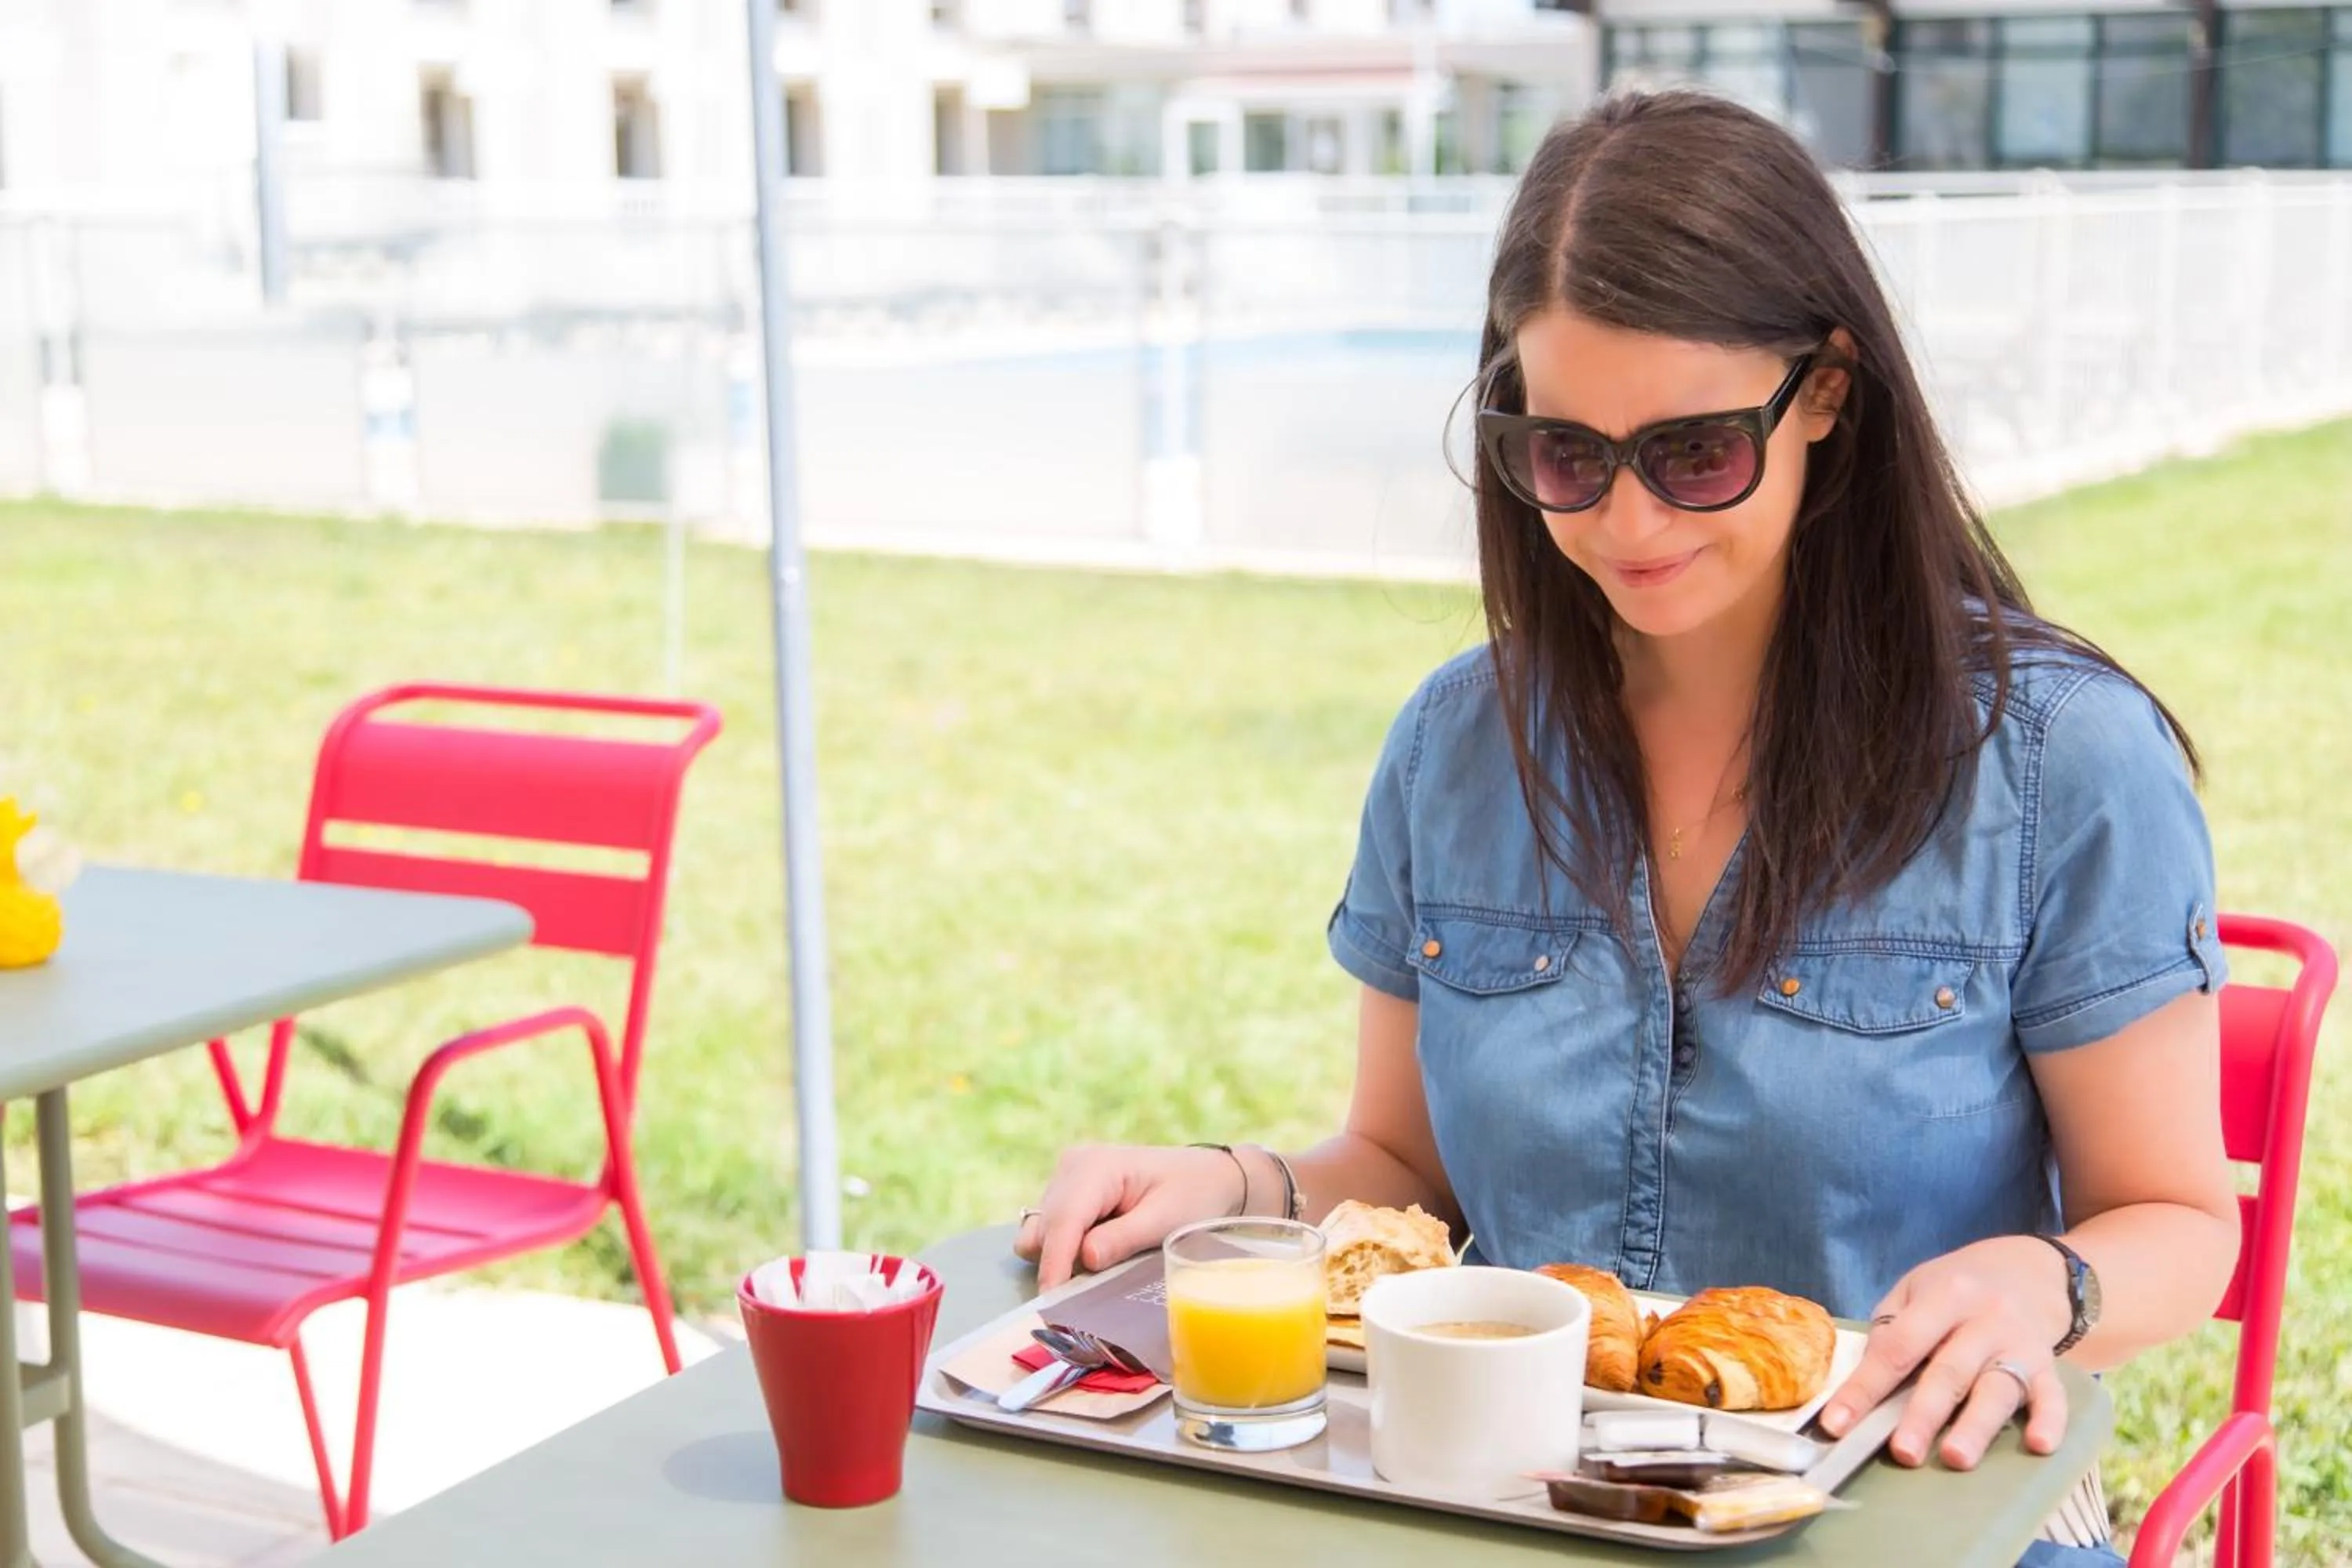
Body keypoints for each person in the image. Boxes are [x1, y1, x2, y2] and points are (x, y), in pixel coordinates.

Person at [1014, 89, 2237, 1565]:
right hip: (1523, 1509)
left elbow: (2175, 1218)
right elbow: (1404, 1166)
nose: (1631, 524)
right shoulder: (1455, 745)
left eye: (1698, 452)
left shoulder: (2057, 760)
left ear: (1828, 392)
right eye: (1569, 458)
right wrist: (1236, 1190)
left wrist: (2049, 1283)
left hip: (1913, 1508)